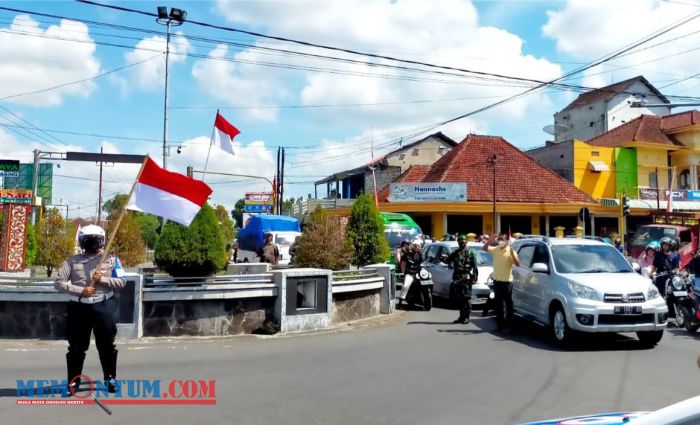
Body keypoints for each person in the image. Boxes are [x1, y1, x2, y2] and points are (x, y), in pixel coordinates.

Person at [54, 225, 126, 395]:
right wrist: (81, 291)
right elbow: (58, 283)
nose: (92, 243)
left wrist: (104, 279)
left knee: (107, 345)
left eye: (96, 239)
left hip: (103, 306)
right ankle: (73, 382)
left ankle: (110, 379)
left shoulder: (111, 259)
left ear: (102, 241)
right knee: (76, 347)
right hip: (79, 307)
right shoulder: (71, 261)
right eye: (88, 240)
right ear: (82, 241)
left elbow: (122, 281)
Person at [484, 233, 520, 332]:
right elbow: (484, 248)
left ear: (506, 241)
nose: (500, 241)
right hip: (497, 282)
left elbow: (518, 264)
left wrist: (512, 254)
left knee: (508, 306)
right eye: (499, 239)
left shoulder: (511, 250)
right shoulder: (496, 249)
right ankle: (500, 326)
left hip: (507, 283)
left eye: (502, 239)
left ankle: (509, 326)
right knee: (498, 306)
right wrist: (490, 240)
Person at [445, 235, 478, 324]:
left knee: (466, 298)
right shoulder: (456, 253)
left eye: (463, 242)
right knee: (459, 298)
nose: (462, 244)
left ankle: (466, 317)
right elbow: (448, 260)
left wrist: (475, 277)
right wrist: (444, 258)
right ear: (458, 243)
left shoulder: (470, 253)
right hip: (457, 278)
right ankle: (461, 316)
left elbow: (475, 266)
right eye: (460, 242)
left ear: (466, 242)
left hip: (466, 278)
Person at [651, 237, 676, 320]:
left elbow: (676, 267)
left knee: (673, 294)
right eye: (664, 245)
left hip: (670, 277)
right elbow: (654, 266)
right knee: (662, 296)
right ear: (661, 246)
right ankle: (662, 316)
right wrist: (651, 274)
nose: (665, 246)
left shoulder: (672, 255)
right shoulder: (658, 254)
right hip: (661, 277)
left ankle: (674, 314)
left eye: (667, 245)